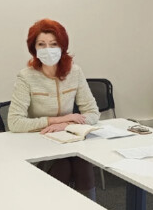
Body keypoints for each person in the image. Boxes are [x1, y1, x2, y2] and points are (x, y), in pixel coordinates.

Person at [7, 19, 101, 200]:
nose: (48, 49)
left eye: (53, 44)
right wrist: (57, 120)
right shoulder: (26, 76)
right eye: (41, 44)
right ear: (34, 49)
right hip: (41, 142)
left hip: (71, 140)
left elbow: (93, 113)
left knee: (83, 164)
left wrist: (66, 125)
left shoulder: (75, 72)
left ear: (62, 46)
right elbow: (15, 122)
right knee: (62, 166)